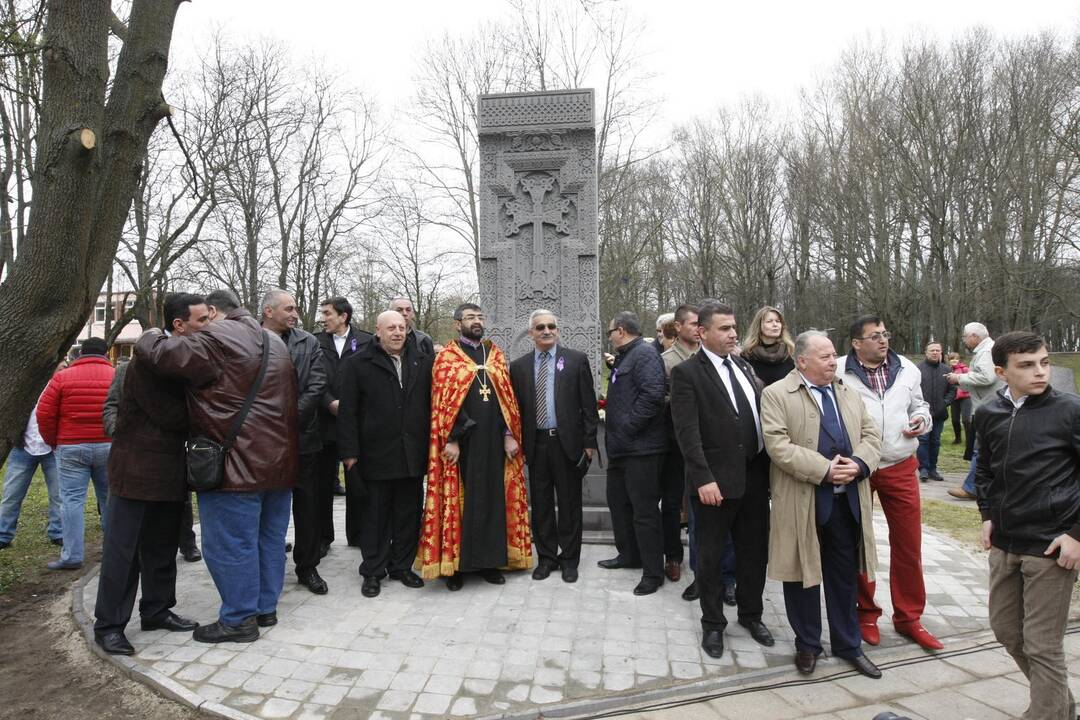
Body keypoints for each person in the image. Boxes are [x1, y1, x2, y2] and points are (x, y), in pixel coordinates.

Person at [136, 289, 299, 643]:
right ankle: (264, 608)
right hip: (279, 463)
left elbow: (162, 355)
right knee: (269, 540)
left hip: (236, 466)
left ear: (212, 312)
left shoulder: (218, 335)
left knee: (231, 543)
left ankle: (239, 619)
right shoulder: (274, 340)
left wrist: (150, 332)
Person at [761, 330, 883, 679]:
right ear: (802, 362)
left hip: (847, 505)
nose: (834, 361)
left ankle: (849, 645)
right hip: (804, 503)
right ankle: (808, 645)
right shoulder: (776, 395)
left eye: (833, 355)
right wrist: (825, 470)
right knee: (801, 576)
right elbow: (778, 445)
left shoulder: (848, 391)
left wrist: (859, 465)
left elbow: (872, 436)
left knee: (844, 577)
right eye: (825, 356)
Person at [91, 293, 208, 655]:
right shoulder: (145, 363)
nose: (209, 324)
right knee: (123, 553)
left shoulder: (179, 362)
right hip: (136, 473)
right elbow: (172, 417)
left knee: (161, 548)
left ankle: (157, 610)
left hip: (169, 474)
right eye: (202, 320)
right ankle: (109, 625)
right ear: (179, 325)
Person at [974, 331, 1080, 720]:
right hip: (1004, 543)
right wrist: (986, 515)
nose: (1040, 372)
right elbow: (983, 469)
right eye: (1027, 365)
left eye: (1044, 362)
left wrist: (1076, 535)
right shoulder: (988, 413)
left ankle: (1047, 714)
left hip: (1052, 547)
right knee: (1006, 630)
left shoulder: (1070, 410)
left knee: (1042, 645)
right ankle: (1060, 708)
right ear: (1001, 372)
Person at [670, 302, 774, 659]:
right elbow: (687, 433)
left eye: (734, 327)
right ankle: (713, 624)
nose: (733, 334)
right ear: (702, 332)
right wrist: (703, 479)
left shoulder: (743, 365)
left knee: (753, 553)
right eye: (725, 328)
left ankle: (751, 614)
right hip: (714, 484)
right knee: (711, 558)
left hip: (755, 478)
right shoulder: (687, 374)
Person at [837, 316, 941, 652]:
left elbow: (921, 405)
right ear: (856, 343)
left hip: (900, 464)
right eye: (874, 336)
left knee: (909, 543)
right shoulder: (838, 370)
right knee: (860, 543)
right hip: (860, 467)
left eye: (885, 334)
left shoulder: (908, 369)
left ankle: (909, 617)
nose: (883, 341)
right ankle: (866, 612)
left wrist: (921, 420)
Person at [418, 303, 532, 589]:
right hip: (463, 443)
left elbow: (508, 400)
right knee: (459, 500)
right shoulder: (447, 357)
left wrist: (509, 434)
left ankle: (490, 562)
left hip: (494, 440)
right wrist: (453, 437)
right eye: (470, 317)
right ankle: (455, 567)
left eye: (480, 317)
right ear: (458, 324)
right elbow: (443, 403)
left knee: (493, 499)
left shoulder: (494, 354)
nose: (477, 321)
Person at [338, 310, 432, 597]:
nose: (397, 332)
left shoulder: (423, 361)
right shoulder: (358, 364)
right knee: (376, 516)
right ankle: (373, 570)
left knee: (408, 513)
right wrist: (349, 453)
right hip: (375, 454)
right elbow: (347, 412)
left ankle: (401, 566)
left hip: (411, 453)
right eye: (391, 327)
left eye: (402, 327)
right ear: (377, 331)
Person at [509, 309, 599, 584]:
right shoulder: (519, 366)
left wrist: (589, 442)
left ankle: (570, 559)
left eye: (551, 326)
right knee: (542, 503)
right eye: (540, 327)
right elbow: (514, 409)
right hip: (536, 445)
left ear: (557, 330)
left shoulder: (575, 360)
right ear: (531, 333)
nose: (546, 331)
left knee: (570, 504)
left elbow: (588, 404)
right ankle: (547, 557)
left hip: (567, 444)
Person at [261, 290, 329, 594]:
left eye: (296, 308)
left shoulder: (308, 341)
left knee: (308, 507)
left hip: (303, 436)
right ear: (268, 311)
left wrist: (289, 420)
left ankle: (308, 566)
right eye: (288, 308)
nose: (295, 314)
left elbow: (317, 384)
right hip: (262, 441)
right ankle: (266, 568)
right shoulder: (251, 339)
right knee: (266, 506)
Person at [104, 359, 201, 564]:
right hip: (131, 453)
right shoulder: (124, 370)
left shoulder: (175, 368)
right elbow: (112, 404)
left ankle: (187, 543)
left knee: (181, 503)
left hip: (169, 452)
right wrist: (116, 430)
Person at [598, 311, 667, 595]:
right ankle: (629, 554)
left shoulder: (646, 355)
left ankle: (653, 572)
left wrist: (627, 428)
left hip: (641, 449)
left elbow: (653, 396)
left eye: (611, 331)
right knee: (619, 504)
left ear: (622, 330)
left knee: (644, 511)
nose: (610, 336)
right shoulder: (627, 356)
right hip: (621, 450)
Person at [37, 337, 115, 570]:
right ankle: (114, 551)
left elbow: (44, 414)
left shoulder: (62, 377)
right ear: (106, 353)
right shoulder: (116, 376)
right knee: (110, 498)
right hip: (108, 445)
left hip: (71, 445)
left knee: (71, 500)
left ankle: (72, 555)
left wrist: (55, 442)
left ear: (80, 353)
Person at [315, 296, 373, 546]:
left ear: (343, 316)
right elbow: (310, 377)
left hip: (357, 425)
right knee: (322, 484)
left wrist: (351, 406)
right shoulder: (314, 342)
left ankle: (358, 535)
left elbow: (372, 379)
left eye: (327, 313)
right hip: (324, 423)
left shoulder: (366, 341)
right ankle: (323, 538)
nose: (323, 318)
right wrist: (329, 401)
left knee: (358, 483)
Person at [0, 361, 67, 550]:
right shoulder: (27, 388)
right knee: (12, 494)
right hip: (23, 447)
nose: (64, 367)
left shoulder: (62, 388)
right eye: (61, 365)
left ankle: (58, 532)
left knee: (58, 494)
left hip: (52, 448)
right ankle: (3, 534)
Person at [659, 304, 699, 589]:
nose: (698, 328)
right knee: (672, 500)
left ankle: (705, 560)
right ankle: (673, 555)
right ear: (679, 327)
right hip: (675, 442)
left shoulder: (713, 358)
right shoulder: (666, 360)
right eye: (694, 323)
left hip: (707, 442)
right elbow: (659, 398)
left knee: (702, 503)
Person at [945, 322, 1004, 500]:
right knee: (988, 449)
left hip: (988, 407)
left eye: (965, 336)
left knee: (981, 449)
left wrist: (959, 377)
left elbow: (987, 377)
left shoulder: (986, 352)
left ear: (974, 337)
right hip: (989, 405)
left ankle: (972, 488)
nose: (964, 340)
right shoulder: (987, 350)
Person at [916, 341, 956, 482]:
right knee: (923, 440)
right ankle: (923, 469)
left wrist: (944, 403)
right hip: (922, 413)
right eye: (932, 350)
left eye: (937, 350)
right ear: (926, 352)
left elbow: (952, 390)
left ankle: (933, 468)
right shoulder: (917, 369)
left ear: (941, 353)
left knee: (935, 441)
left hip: (939, 413)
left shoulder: (946, 370)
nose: (934, 352)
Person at [741, 306, 796, 387]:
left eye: (778, 321)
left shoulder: (791, 352)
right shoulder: (747, 355)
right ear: (759, 326)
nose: (775, 324)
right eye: (769, 321)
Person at [947, 351, 973, 455]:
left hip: (966, 397)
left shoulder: (965, 369)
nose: (954, 360)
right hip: (954, 398)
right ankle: (958, 439)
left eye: (956, 358)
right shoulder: (947, 370)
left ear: (959, 360)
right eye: (952, 359)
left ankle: (969, 440)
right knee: (954, 420)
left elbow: (971, 380)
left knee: (966, 420)